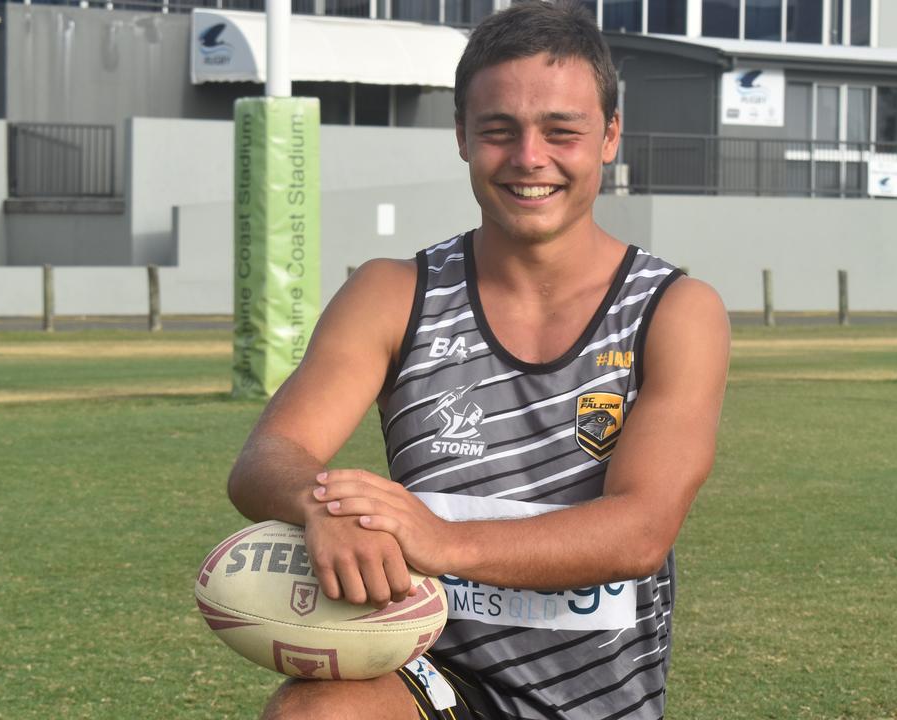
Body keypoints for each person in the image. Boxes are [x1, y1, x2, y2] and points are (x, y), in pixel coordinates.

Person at [226, 1, 730, 717]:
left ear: (609, 135)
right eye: (499, 131)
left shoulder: (673, 310)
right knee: (317, 712)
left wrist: (440, 541)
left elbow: (639, 530)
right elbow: (268, 455)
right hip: (434, 677)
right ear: (461, 135)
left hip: (596, 702)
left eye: (562, 131)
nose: (529, 158)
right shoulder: (393, 294)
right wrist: (322, 504)